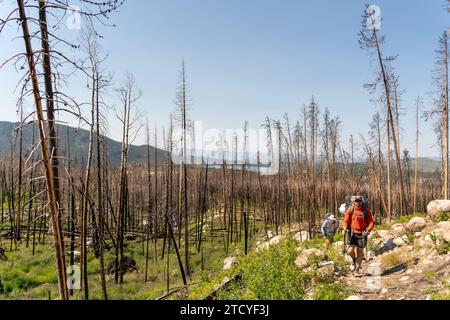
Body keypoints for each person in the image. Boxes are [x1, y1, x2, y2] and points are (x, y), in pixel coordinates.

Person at [343, 196, 374, 276]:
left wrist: (368, 230)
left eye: (359, 201)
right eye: (356, 201)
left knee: (360, 252)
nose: (358, 202)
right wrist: (345, 228)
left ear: (362, 201)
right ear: (353, 202)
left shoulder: (366, 210)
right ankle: (354, 259)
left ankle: (356, 270)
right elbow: (346, 221)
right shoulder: (350, 210)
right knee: (350, 251)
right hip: (352, 233)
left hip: (362, 233)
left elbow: (371, 222)